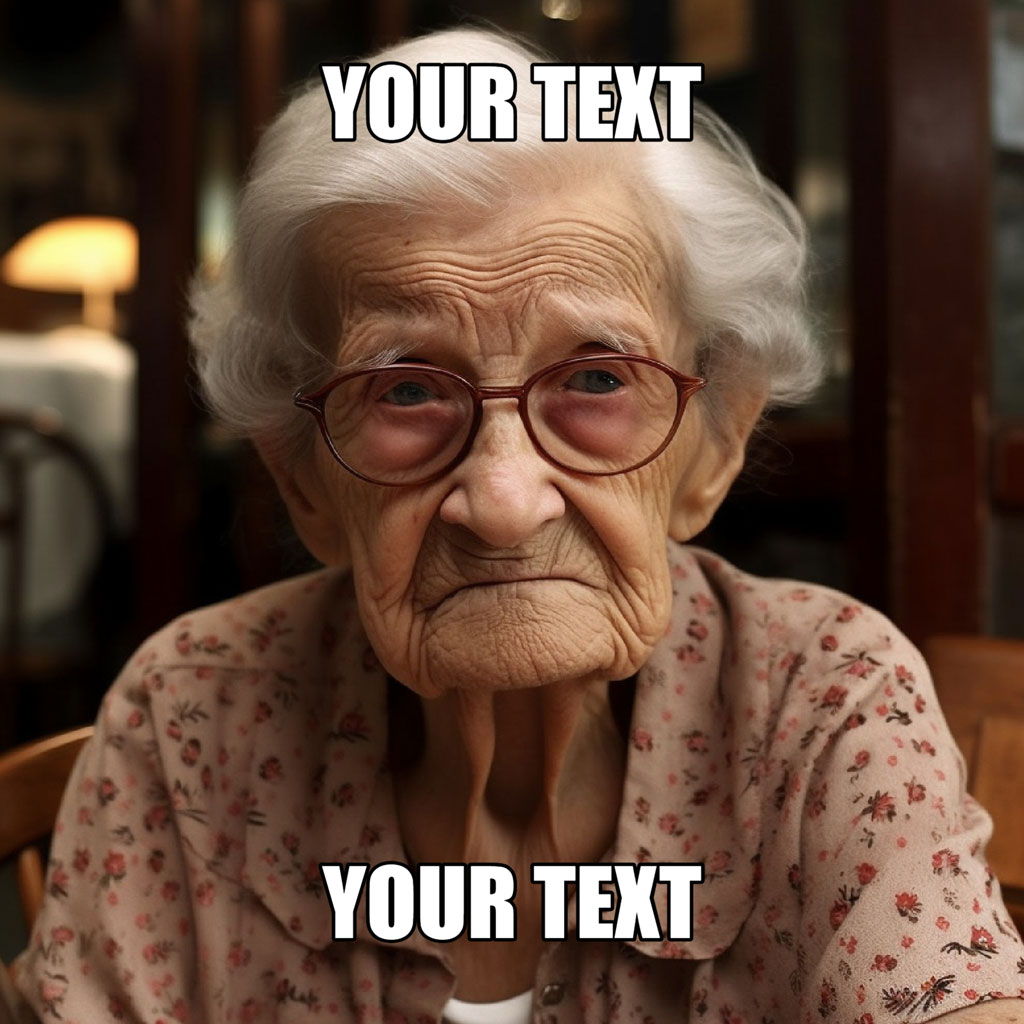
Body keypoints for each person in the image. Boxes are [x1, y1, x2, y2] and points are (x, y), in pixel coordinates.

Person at [10, 26, 1024, 1024]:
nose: (502, 503)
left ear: (716, 442)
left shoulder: (821, 697)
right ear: (303, 480)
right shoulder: (193, 713)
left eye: (597, 379)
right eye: (407, 390)